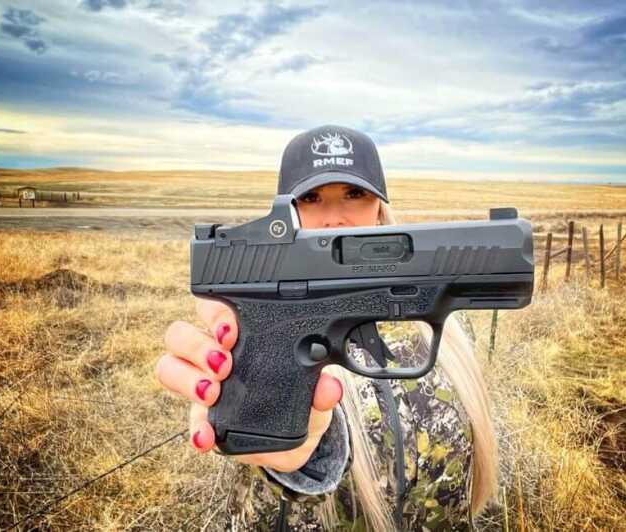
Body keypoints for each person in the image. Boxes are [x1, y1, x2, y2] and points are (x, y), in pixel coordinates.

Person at [157, 125, 500, 530]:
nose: (333, 219)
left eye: (355, 195)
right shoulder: (280, 317)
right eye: (312, 197)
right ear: (287, 212)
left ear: (379, 206)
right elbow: (279, 457)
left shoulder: (446, 335)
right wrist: (299, 453)